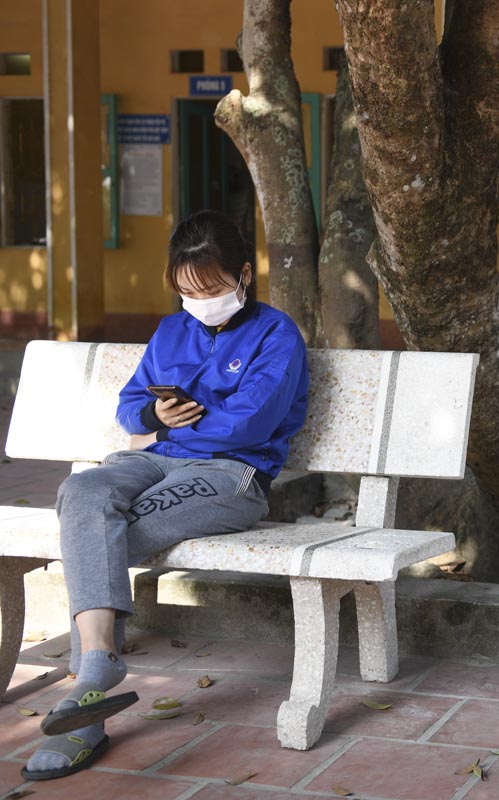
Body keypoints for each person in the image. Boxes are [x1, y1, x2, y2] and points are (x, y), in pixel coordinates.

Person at [22, 210, 309, 780]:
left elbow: (248, 426)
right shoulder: (171, 330)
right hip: (149, 460)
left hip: (232, 476)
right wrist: (152, 413)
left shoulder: (277, 335)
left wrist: (168, 428)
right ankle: (100, 665)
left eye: (209, 289)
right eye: (185, 291)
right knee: (82, 492)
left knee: (100, 534)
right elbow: (130, 405)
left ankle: (84, 717)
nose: (197, 301)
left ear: (244, 275)